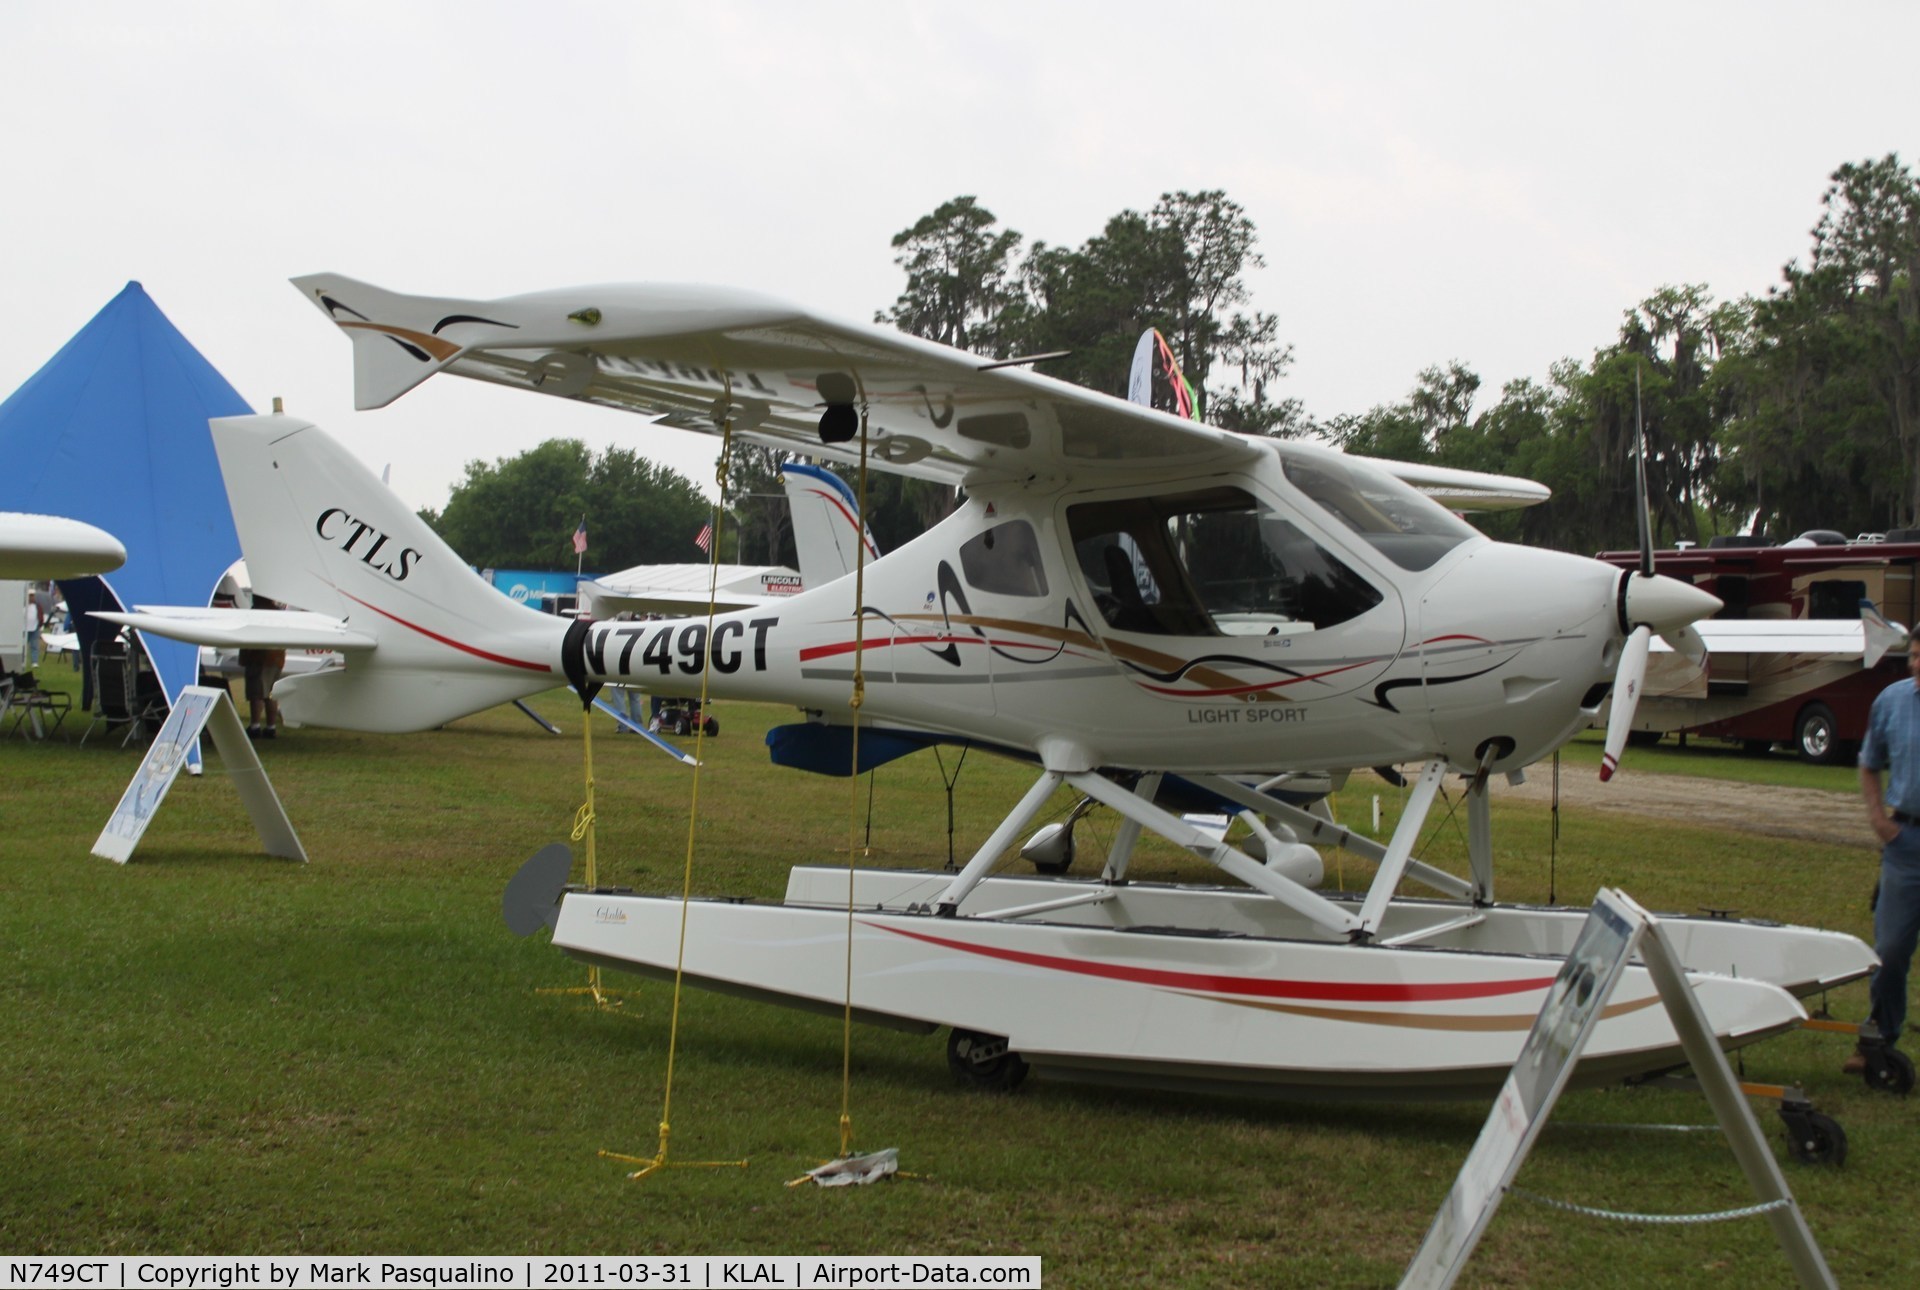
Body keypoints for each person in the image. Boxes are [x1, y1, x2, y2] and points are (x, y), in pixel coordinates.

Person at [1854, 634, 1920, 1072]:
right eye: (1915, 655)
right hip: (1907, 844)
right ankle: (1877, 1040)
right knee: (1891, 950)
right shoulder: (1892, 701)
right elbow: (1869, 760)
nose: (1918, 663)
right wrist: (1880, 819)